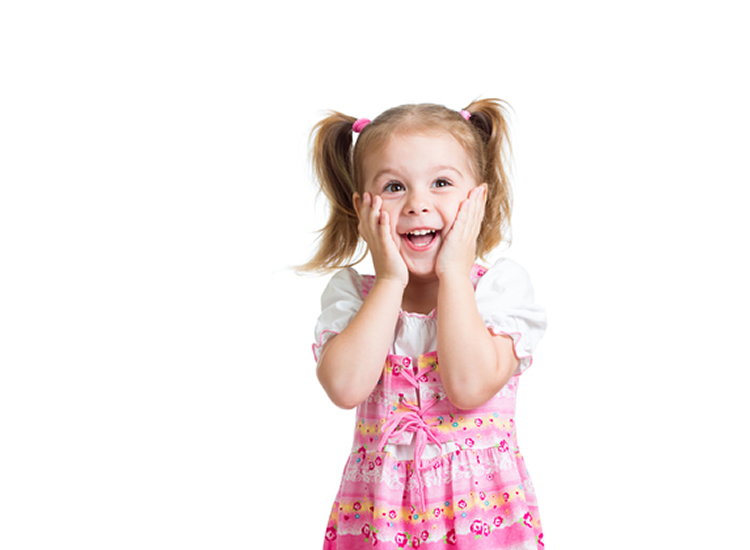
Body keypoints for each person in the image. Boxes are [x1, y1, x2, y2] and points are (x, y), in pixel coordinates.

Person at [301, 99, 547, 549]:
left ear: (478, 199)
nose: (417, 204)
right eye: (394, 187)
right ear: (362, 208)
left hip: (481, 527)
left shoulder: (498, 292)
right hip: (380, 527)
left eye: (441, 183)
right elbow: (344, 388)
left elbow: (468, 387)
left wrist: (454, 272)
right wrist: (389, 280)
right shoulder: (354, 297)